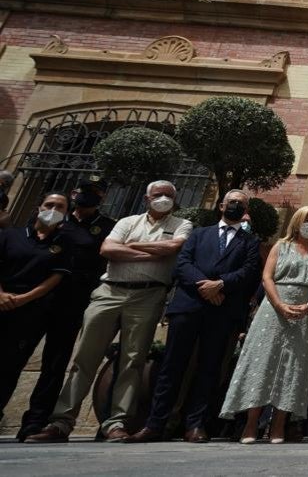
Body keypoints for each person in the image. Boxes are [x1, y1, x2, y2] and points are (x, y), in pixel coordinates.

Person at [27, 181, 192, 443]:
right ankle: (61, 421)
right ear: (147, 197)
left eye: (169, 195)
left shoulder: (181, 225)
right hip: (109, 292)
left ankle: (116, 423)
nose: (163, 198)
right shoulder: (127, 221)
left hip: (149, 295)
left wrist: (128, 248)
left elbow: (171, 249)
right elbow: (107, 249)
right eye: (158, 194)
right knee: (84, 359)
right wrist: (150, 253)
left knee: (133, 361)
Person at [127, 190, 261, 443]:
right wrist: (205, 286)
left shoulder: (250, 242)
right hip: (189, 306)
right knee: (172, 365)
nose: (235, 206)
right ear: (221, 206)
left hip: (222, 310)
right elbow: (183, 263)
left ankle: (195, 424)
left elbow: (249, 272)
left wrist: (220, 284)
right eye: (231, 202)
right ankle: (155, 423)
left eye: (240, 204)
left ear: (245, 211)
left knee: (209, 368)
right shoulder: (199, 233)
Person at [217, 206, 308, 443]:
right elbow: (267, 277)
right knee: (263, 361)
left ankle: (279, 424)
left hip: (305, 312)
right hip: (274, 309)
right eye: (307, 220)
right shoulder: (281, 246)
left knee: (294, 367)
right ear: (297, 221)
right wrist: (279, 304)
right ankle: (251, 424)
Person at [18, 178, 115, 440]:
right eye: (84, 192)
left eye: (96, 193)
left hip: (73, 303)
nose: (88, 196)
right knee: (13, 359)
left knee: (55, 365)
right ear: (74, 193)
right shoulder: (54, 222)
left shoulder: (107, 227)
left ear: (103, 198)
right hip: (35, 300)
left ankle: (36, 422)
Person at [0, 193, 75, 416]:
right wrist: (2, 294)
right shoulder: (9, 236)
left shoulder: (63, 243)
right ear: (38, 207)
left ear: (66, 213)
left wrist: (24, 298)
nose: (53, 209)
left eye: (60, 207)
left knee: (9, 367)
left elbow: (55, 278)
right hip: (2, 300)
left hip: (30, 310)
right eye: (49, 205)